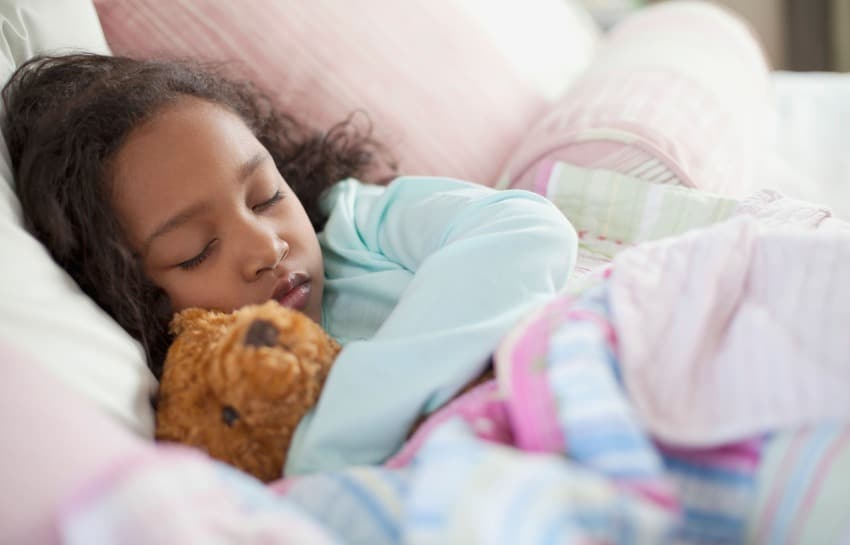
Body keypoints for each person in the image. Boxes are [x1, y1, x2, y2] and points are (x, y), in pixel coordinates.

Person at [3, 53, 578, 476]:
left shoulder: (360, 227)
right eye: (196, 252)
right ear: (126, 292)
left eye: (265, 198)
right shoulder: (212, 411)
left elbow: (529, 230)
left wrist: (338, 434)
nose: (266, 247)